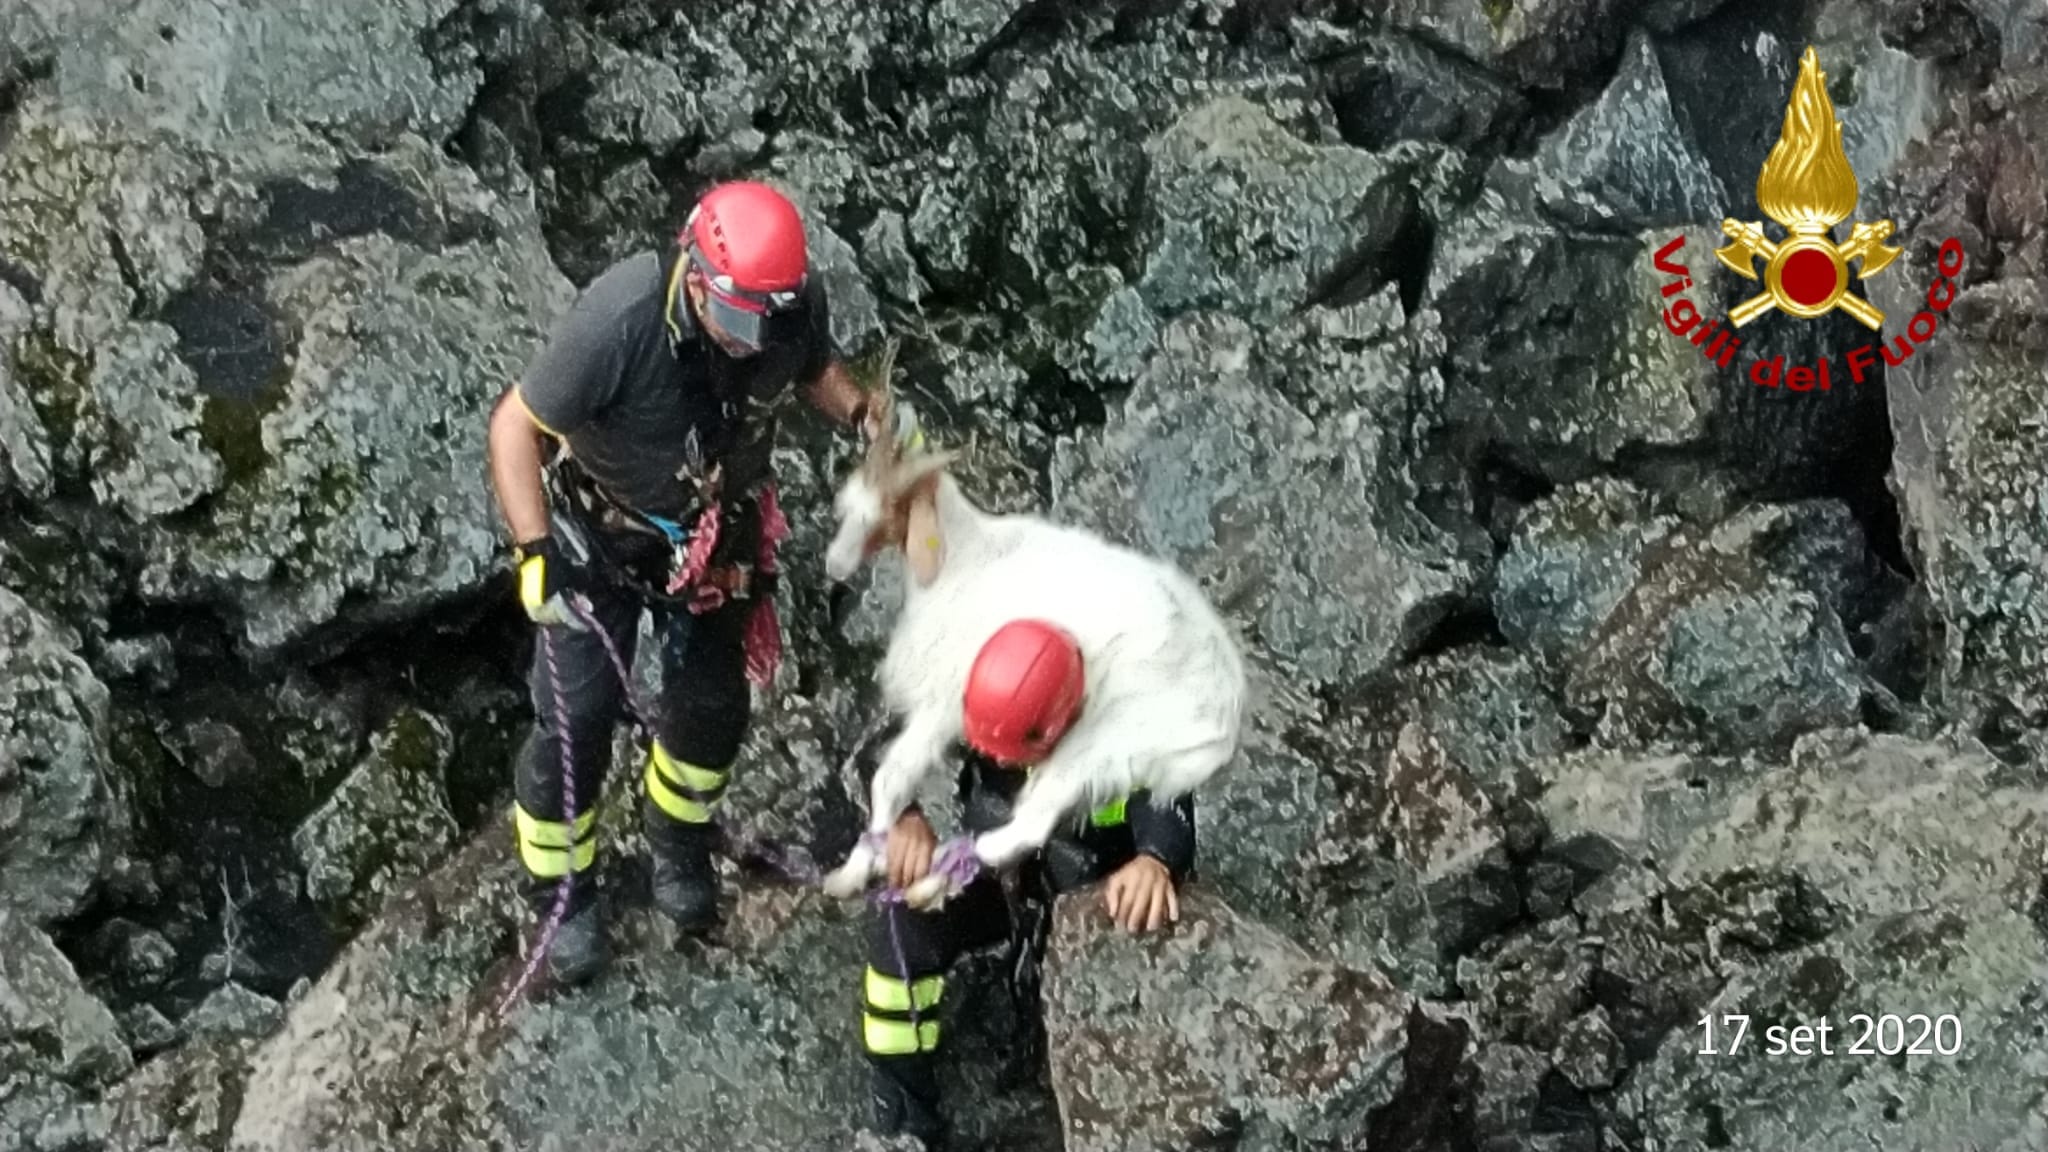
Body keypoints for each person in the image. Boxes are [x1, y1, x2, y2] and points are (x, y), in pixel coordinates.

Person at [485, 180, 888, 985]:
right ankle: (563, 891)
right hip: (598, 536)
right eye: (736, 321)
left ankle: (678, 844)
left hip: (716, 539)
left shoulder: (781, 307)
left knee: (710, 710)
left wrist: (860, 415)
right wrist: (535, 550)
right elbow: (515, 424)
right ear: (697, 282)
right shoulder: (623, 317)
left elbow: (811, 366)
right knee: (577, 719)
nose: (749, 341)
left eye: (764, 323)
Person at [857, 619, 1197, 1148]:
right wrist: (904, 814)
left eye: (1011, 751)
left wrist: (1155, 861)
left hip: (1098, 909)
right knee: (904, 917)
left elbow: (1171, 800)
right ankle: (904, 1108)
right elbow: (884, 749)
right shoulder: (976, 687)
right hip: (1003, 877)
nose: (999, 759)